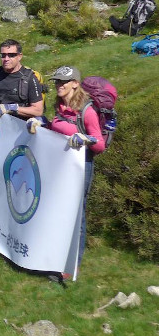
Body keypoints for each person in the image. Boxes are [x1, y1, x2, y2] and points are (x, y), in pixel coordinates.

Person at [26, 66, 106, 276]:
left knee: (76, 215)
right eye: (56, 82)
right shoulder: (60, 105)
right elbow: (57, 127)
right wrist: (41, 122)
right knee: (56, 211)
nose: (59, 86)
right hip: (59, 167)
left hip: (80, 168)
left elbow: (100, 145)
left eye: (63, 82)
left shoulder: (87, 111)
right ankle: (52, 257)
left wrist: (85, 139)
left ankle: (71, 266)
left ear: (75, 83)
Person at [0, 39, 43, 120]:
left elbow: (38, 110)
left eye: (11, 55)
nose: (6, 59)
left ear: (19, 56)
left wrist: (12, 108)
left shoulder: (28, 78)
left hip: (17, 128)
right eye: (3, 55)